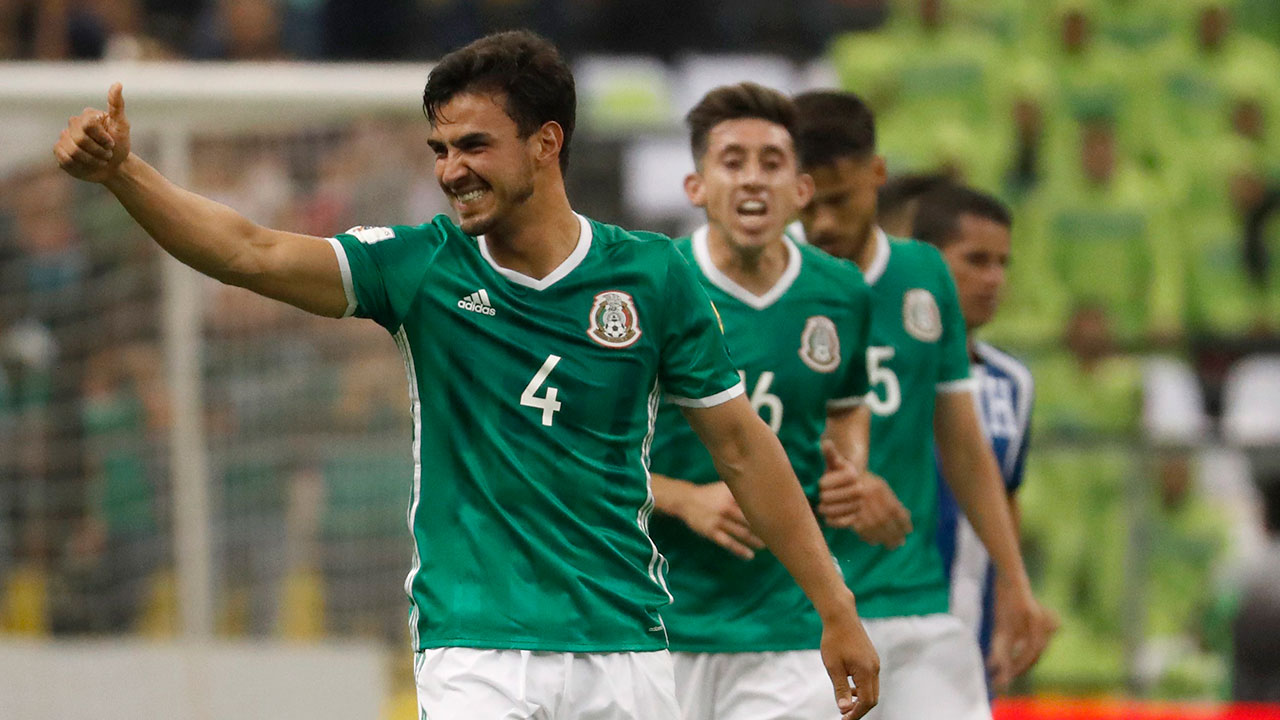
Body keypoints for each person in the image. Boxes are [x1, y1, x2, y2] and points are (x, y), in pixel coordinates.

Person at [53, 30, 878, 720]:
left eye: (475, 145)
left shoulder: (653, 277)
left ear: (547, 142)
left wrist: (835, 609)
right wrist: (126, 174)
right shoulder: (421, 267)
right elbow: (248, 251)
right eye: (440, 149)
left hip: (623, 640)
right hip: (476, 647)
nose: (451, 170)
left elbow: (743, 448)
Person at [792, 89, 1056, 719]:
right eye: (810, 203)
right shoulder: (768, 286)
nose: (825, 222)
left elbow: (964, 447)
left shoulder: (923, 278)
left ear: (876, 178)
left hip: (912, 602)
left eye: (842, 199)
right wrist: (844, 476)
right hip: (796, 613)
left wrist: (1016, 584)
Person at [647, 82, 881, 720]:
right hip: (657, 626)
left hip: (788, 627)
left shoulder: (841, 292)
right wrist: (684, 497)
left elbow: (848, 405)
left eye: (772, 163)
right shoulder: (649, 288)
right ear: (696, 187)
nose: (753, 180)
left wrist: (851, 463)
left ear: (801, 191)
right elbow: (580, 451)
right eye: (732, 162)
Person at [909, 182, 1047, 694]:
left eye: (1003, 263)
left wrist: (1015, 594)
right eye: (976, 260)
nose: (994, 279)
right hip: (879, 618)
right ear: (927, 262)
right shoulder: (877, 369)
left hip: (967, 634)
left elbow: (1006, 495)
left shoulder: (1013, 383)